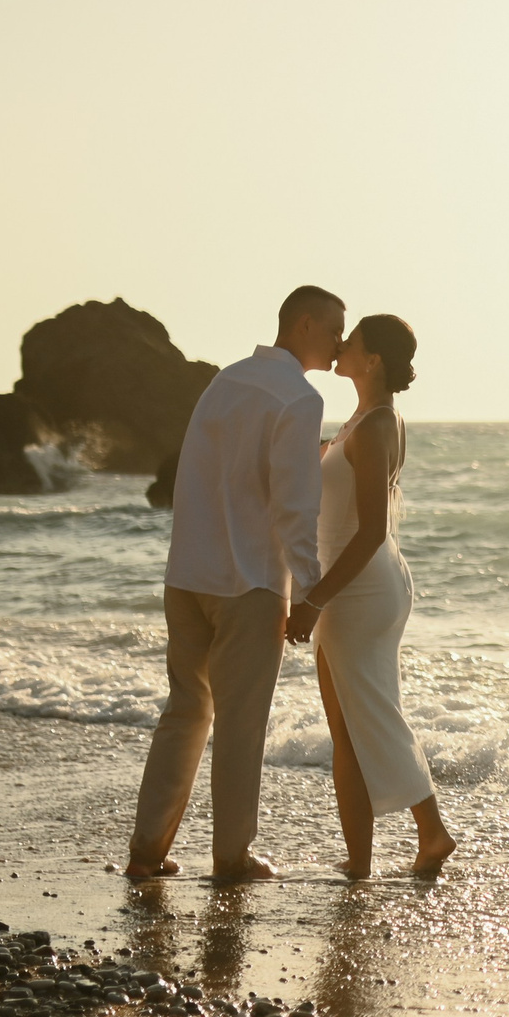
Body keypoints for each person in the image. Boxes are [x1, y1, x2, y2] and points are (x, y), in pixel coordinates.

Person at [125, 286, 343, 881]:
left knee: (186, 710)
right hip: (249, 583)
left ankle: (147, 850)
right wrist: (309, 590)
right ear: (304, 325)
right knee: (241, 725)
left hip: (188, 573)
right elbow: (294, 507)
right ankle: (231, 856)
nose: (341, 343)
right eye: (334, 331)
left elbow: (208, 473)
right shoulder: (298, 397)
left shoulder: (225, 381)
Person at [306, 312, 455, 876]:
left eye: (353, 340)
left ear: (372, 361)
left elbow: (368, 531)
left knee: (369, 720)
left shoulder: (375, 426)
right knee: (352, 725)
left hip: (358, 591)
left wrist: (314, 598)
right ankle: (362, 859)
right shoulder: (364, 418)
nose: (340, 343)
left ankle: (431, 831)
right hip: (363, 585)